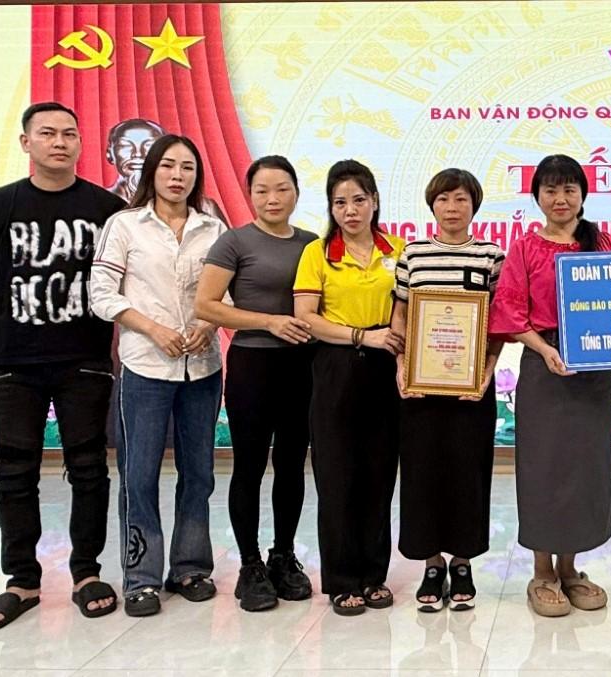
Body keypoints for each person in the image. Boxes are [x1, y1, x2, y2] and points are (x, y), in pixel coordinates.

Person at [0, 102, 125, 632]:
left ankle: (86, 573)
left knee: (88, 470)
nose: (60, 142)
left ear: (81, 144)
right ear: (26, 142)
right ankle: (22, 581)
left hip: (84, 360)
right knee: (14, 472)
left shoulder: (107, 209)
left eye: (70, 134)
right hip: (13, 362)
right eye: (48, 133)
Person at [90, 134, 226, 617]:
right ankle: (141, 577)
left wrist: (208, 324)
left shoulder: (213, 228)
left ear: (197, 176)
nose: (177, 175)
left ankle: (190, 567)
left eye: (187, 167)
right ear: (152, 171)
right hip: (145, 367)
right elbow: (101, 293)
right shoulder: (125, 225)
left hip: (203, 368)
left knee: (199, 475)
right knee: (139, 475)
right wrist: (152, 328)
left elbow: (228, 295)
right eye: (168, 165)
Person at [489, 154, 611, 618]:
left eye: (569, 189)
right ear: (537, 197)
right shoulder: (524, 248)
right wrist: (544, 350)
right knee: (545, 469)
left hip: (594, 372)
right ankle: (541, 571)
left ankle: (569, 569)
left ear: (583, 193)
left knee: (586, 469)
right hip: (545, 364)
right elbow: (508, 313)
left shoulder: (601, 243)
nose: (560, 199)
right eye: (550, 190)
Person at [194, 156, 317, 612]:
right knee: (248, 465)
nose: (272, 198)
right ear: (250, 195)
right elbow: (207, 305)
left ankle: (283, 556)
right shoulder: (234, 241)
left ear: (296, 193)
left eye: (281, 189)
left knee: (290, 466)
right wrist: (269, 321)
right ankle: (249, 565)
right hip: (252, 366)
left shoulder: (312, 244)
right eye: (262, 190)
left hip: (302, 367)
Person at [293, 159, 404, 616]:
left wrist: (390, 341)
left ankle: (374, 574)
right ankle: (341, 579)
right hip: (336, 364)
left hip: (386, 366)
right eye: (340, 202)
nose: (350, 210)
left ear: (374, 201)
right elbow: (306, 318)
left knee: (379, 473)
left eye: (359, 200)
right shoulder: (318, 253)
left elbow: (409, 304)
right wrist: (363, 336)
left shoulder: (398, 249)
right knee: (337, 473)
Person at [390, 168, 504, 612]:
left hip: (471, 388)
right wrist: (401, 366)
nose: (452, 208)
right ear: (431, 205)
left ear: (474, 205)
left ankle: (462, 562)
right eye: (443, 200)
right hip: (419, 386)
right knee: (421, 473)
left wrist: (488, 372)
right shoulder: (413, 255)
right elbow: (400, 315)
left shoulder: (492, 256)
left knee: (468, 473)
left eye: (460, 200)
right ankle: (431, 563)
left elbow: (497, 323)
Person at [104, 117, 228, 224]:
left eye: (149, 146)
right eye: (126, 146)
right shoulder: (101, 204)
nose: (138, 154)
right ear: (109, 153)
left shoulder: (206, 208)